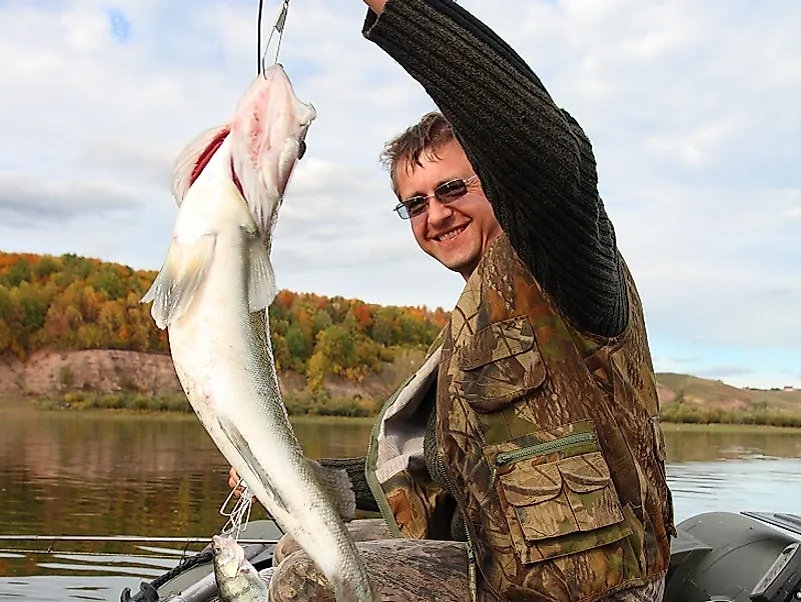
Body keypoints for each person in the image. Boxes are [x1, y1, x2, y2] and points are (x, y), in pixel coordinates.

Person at [232, 0, 675, 600]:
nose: (435, 213)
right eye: (415, 203)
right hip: (508, 576)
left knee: (312, 576)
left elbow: (547, 155)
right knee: (303, 544)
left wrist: (397, 11)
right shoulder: (473, 327)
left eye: (451, 188)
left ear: (496, 181)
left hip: (600, 590)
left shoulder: (562, 262)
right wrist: (296, 479)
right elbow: (439, 474)